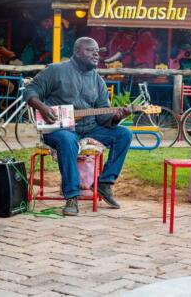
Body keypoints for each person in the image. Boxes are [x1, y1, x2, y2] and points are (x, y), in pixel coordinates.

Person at [24, 37, 133, 216]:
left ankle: (104, 184)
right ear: (76, 52)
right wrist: (42, 107)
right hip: (59, 130)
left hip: (89, 128)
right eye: (91, 50)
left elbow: (104, 114)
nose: (96, 53)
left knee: (124, 134)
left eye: (97, 51)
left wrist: (117, 117)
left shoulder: (98, 80)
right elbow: (30, 91)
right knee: (67, 140)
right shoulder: (56, 70)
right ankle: (72, 197)